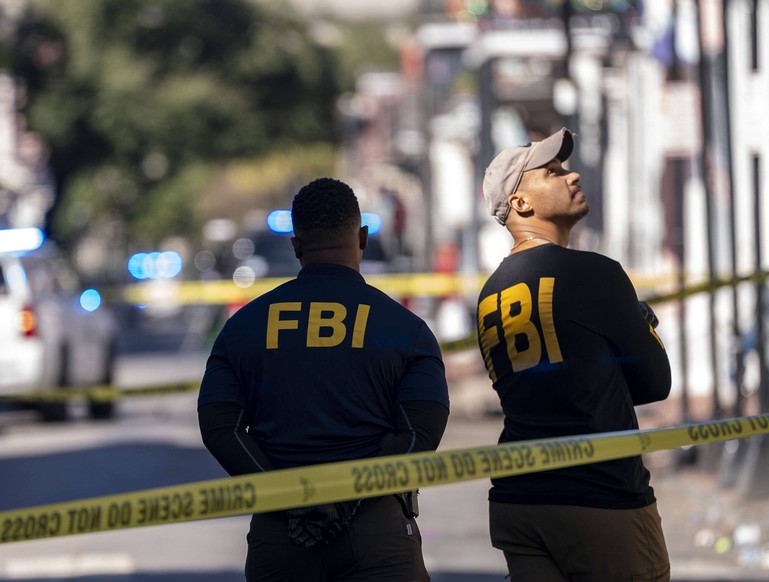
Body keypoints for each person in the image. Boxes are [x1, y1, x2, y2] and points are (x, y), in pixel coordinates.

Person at [198, 177, 450, 582]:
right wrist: (350, 499)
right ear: (362, 238)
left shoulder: (243, 328)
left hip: (283, 536)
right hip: (377, 537)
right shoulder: (406, 329)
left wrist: (288, 498)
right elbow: (422, 431)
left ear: (296, 245)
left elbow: (218, 428)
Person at [476, 127, 672, 581]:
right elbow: (655, 383)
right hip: (599, 496)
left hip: (518, 499)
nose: (572, 175)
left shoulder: (490, 293)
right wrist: (641, 321)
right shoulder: (593, 272)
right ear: (521, 204)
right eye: (553, 172)